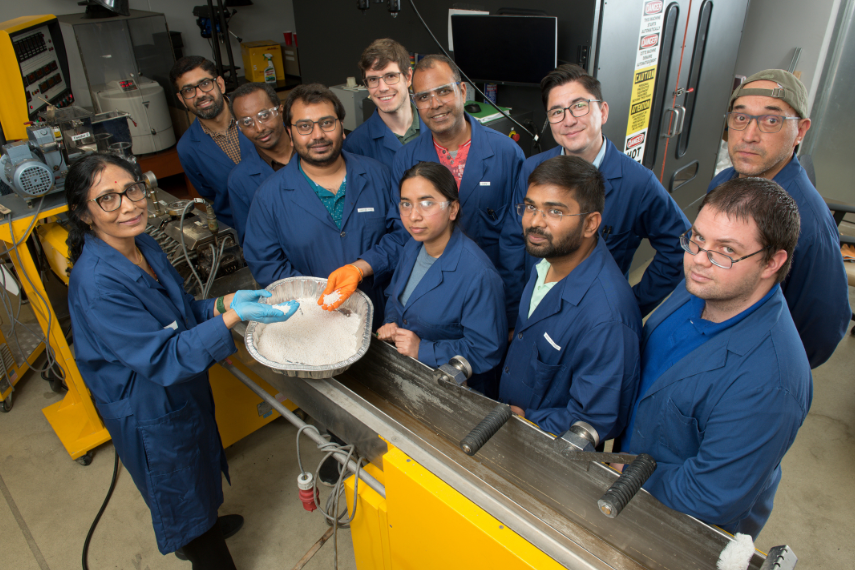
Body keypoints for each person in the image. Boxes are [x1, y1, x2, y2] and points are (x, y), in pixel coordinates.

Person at [65, 153, 297, 567]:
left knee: (198, 470)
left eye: (131, 190)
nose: (129, 205)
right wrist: (231, 317)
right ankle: (203, 547)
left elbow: (179, 311)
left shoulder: (145, 245)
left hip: (179, 392)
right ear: (85, 214)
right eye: (108, 199)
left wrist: (225, 301)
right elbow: (161, 358)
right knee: (178, 487)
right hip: (147, 405)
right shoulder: (98, 283)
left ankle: (202, 526)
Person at [621, 177, 812, 539]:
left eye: (725, 250)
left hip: (680, 528)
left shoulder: (770, 380)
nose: (698, 260)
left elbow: (710, 495)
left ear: (772, 261)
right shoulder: (701, 285)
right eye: (696, 238)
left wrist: (626, 475)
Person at [499, 64, 689, 324]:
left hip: (591, 319)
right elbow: (512, 240)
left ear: (603, 111)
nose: (568, 120)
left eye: (579, 106)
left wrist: (631, 304)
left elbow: (679, 248)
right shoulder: (533, 168)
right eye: (556, 111)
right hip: (533, 306)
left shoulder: (637, 182)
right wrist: (515, 310)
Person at [708, 69, 849, 368]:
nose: (748, 135)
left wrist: (764, 370)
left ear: (800, 130)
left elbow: (823, 328)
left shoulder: (808, 223)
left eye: (771, 121)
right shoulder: (724, 182)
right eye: (741, 118)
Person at [499, 156, 641, 440]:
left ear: (590, 224)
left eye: (555, 212)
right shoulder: (546, 262)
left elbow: (594, 420)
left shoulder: (607, 319)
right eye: (530, 207)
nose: (535, 222)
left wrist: (525, 421)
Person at [242, 84, 408, 327]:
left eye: (327, 123)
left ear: (342, 127)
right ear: (290, 133)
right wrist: (318, 297)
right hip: (313, 320)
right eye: (304, 126)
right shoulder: (269, 197)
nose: (317, 134)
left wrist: (361, 268)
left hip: (385, 315)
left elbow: (405, 235)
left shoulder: (379, 176)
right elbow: (267, 264)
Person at [378, 162, 507, 397]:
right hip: (412, 378)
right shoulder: (412, 247)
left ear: (453, 209)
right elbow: (394, 296)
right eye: (406, 204)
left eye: (427, 203)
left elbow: (486, 349)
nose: (414, 216)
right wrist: (391, 322)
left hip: (457, 392)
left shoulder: (478, 275)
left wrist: (423, 349)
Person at [390, 54, 525, 276]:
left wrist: (509, 300)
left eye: (444, 91)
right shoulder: (406, 159)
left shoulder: (506, 153)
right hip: (431, 282)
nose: (435, 104)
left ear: (462, 91)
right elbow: (401, 231)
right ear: (416, 104)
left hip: (490, 282)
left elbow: (517, 236)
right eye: (424, 97)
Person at [172, 56, 255, 230]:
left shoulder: (257, 113)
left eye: (205, 84)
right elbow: (210, 194)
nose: (200, 94)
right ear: (181, 99)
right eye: (189, 90)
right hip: (242, 230)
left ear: (220, 84)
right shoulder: (187, 148)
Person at [343, 38, 427, 168]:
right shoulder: (355, 145)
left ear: (408, 77)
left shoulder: (435, 127)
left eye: (391, 76)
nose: (382, 88)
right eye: (373, 79)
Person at [227, 82, 293, 244]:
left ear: (280, 110)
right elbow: (253, 243)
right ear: (239, 128)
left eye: (264, 115)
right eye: (247, 122)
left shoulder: (315, 147)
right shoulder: (240, 180)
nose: (258, 128)